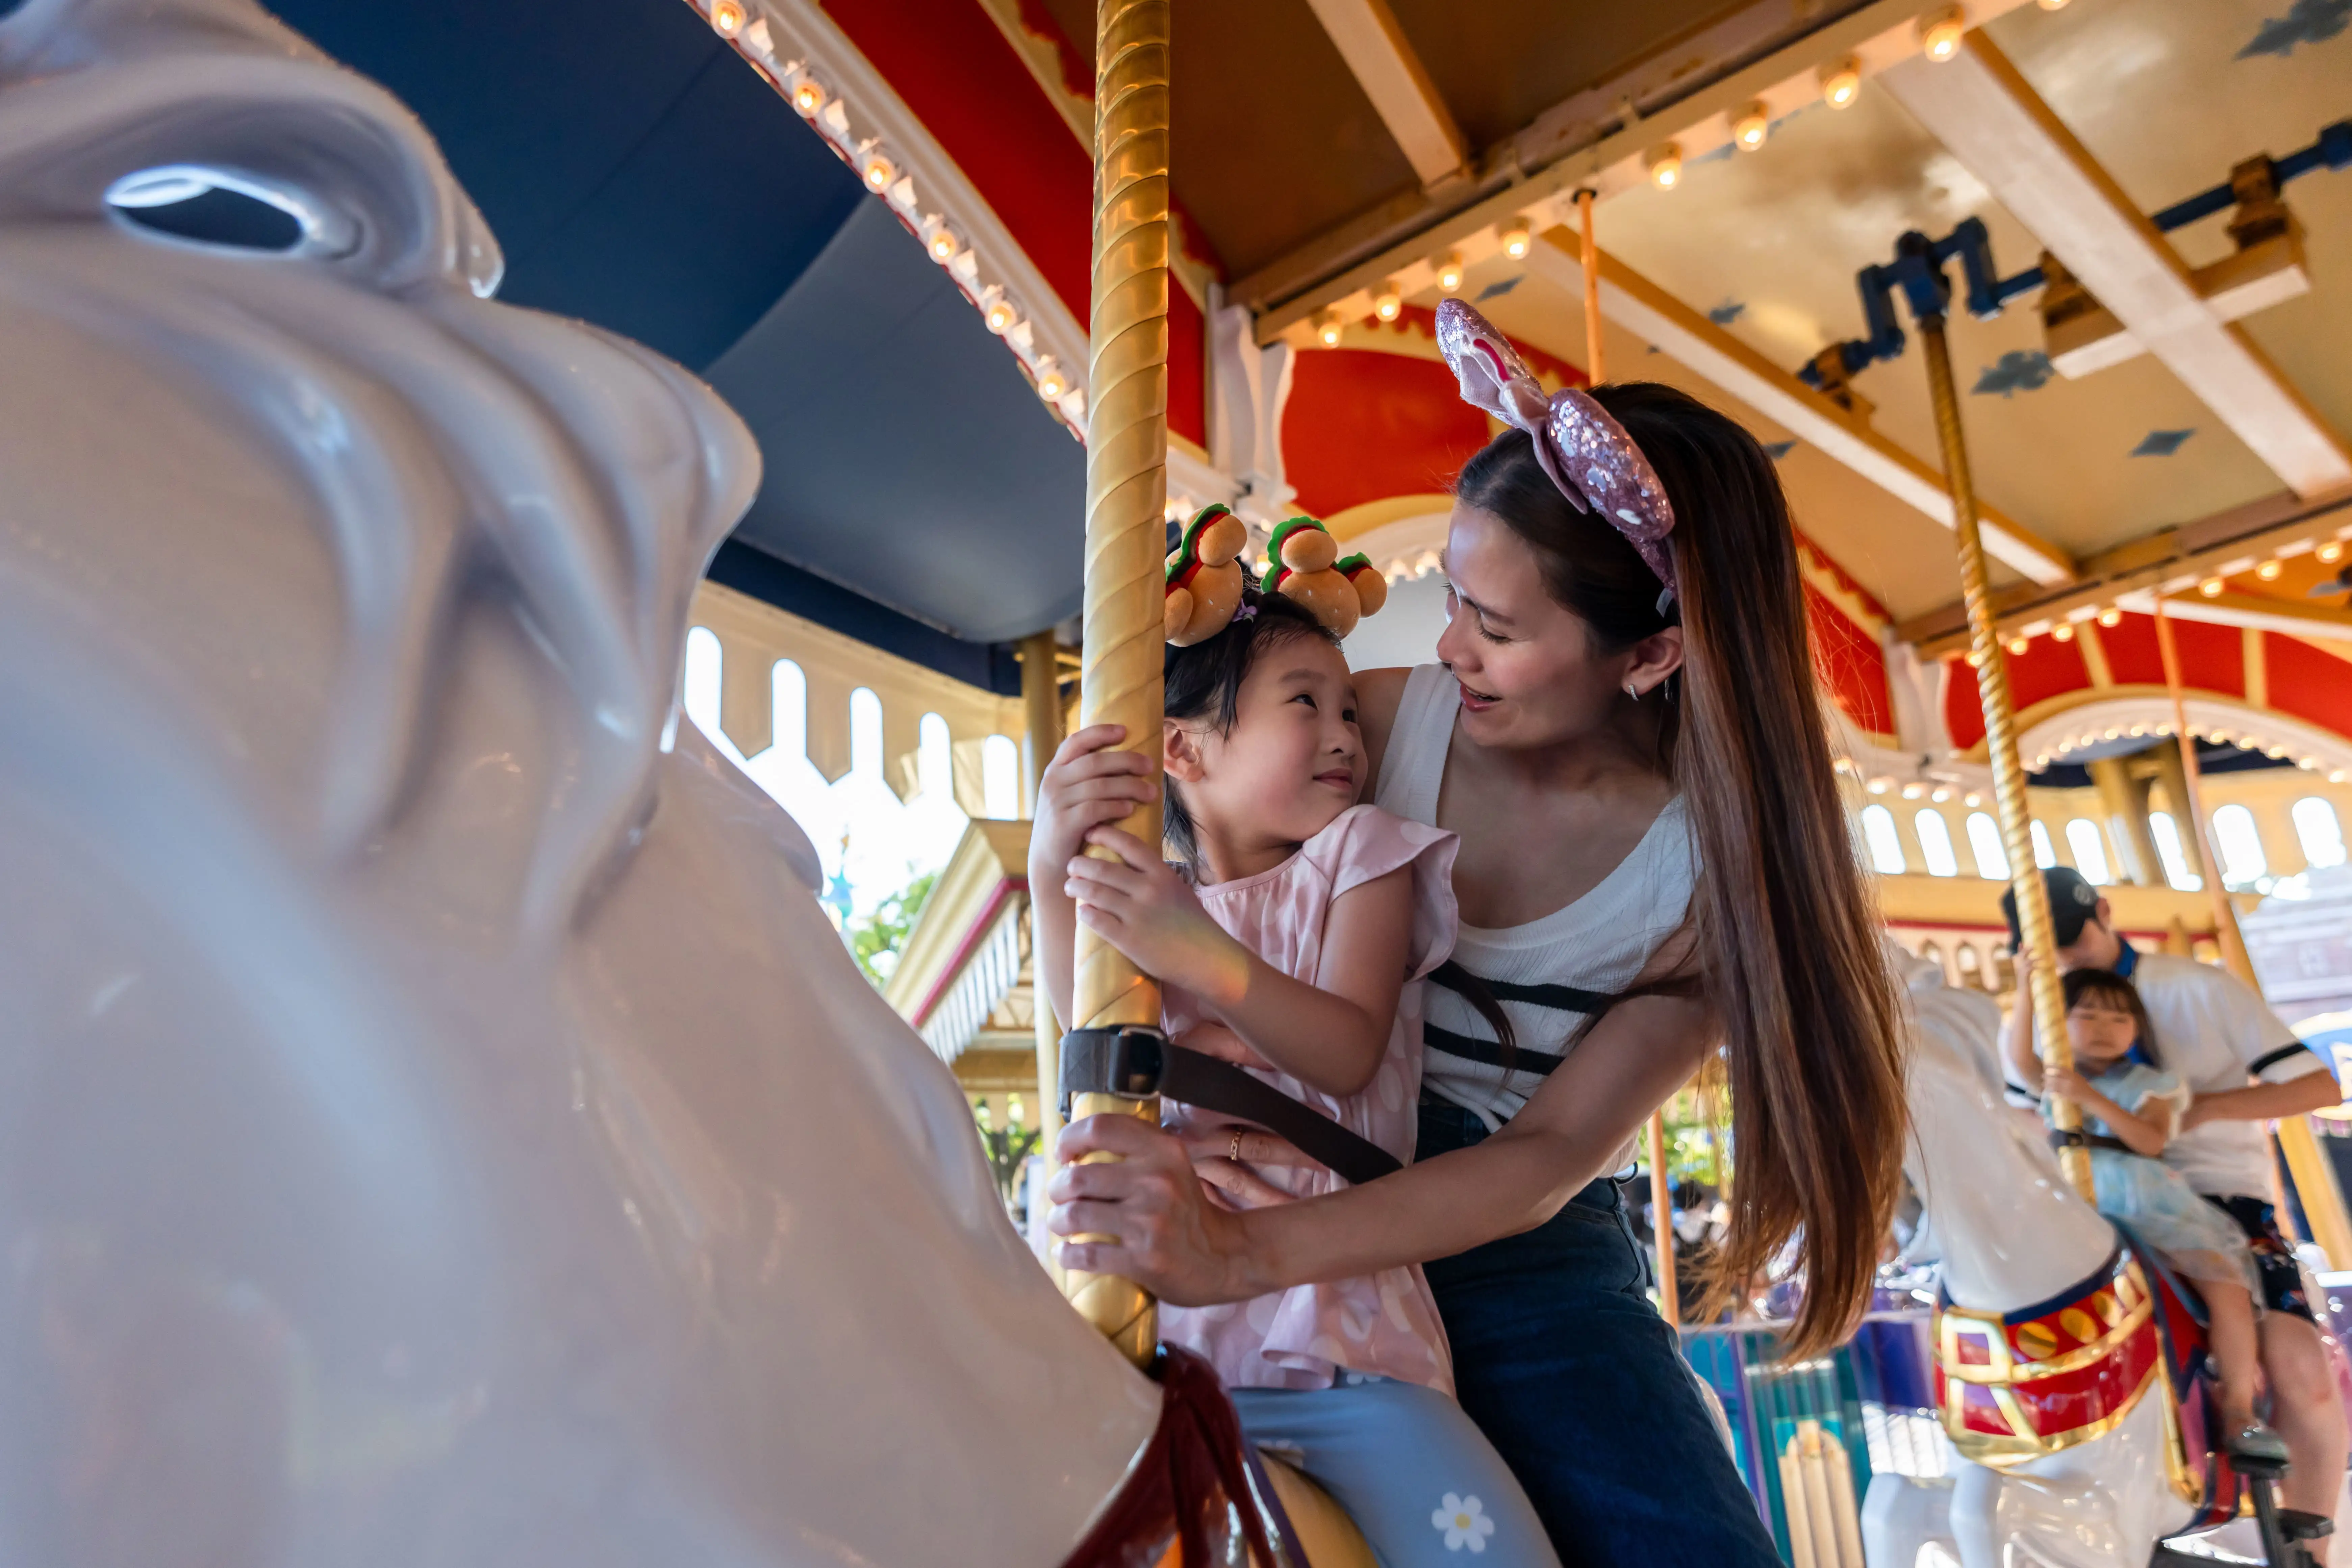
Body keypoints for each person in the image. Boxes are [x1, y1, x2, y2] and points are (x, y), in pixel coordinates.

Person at [1044, 299, 1907, 1567]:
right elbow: (1183, 881)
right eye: (1454, 599)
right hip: (1264, 1159)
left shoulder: (1712, 882)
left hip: (1510, 1254)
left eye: (1495, 630)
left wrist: (1248, 1251)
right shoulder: (1377, 728)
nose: (1447, 650)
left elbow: (1545, 1159)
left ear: (1651, 654)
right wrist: (1071, 827)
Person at [1030, 586, 1558, 1568]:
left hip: (1339, 1331)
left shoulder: (1361, 854)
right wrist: (1050, 854)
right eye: (1302, 701)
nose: (1343, 732)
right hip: (1179, 1332)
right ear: (1183, 753)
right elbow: (1090, 1037)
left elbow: (1347, 1047)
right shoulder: (1164, 899)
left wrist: (1197, 955)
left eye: (1347, 707)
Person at [2002, 865, 2347, 1541]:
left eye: (2073, 935)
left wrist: (2193, 1110)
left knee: (2301, 1367)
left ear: (2104, 910)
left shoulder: (2196, 987)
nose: (2068, 954)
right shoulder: (2043, 1012)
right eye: (2049, 945)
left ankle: (2312, 1542)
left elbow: (2317, 1086)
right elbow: (2020, 1098)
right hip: (2091, 1199)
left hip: (2216, 1192)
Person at [2003, 966, 2284, 1453]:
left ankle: (2238, 1406)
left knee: (2225, 1287)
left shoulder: (2153, 1083)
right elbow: (2019, 1057)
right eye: (2085, 1014)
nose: (2103, 1026)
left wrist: (2085, 1097)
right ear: (2057, 1022)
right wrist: (2027, 986)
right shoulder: (2054, 1080)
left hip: (2145, 1201)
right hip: (2077, 1205)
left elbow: (2149, 1140)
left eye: (2118, 1017)